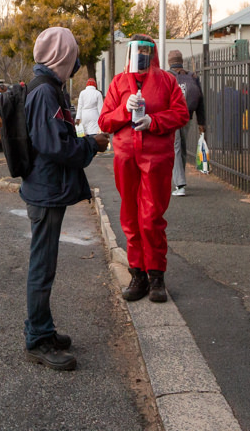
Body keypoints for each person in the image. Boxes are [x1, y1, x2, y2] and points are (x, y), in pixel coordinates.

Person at [20, 27, 108, 371]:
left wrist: (85, 144)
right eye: (72, 56)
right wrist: (91, 145)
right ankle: (37, 339)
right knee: (42, 267)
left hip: (46, 187)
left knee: (45, 265)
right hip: (45, 190)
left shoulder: (47, 87)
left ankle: (43, 329)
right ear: (62, 57)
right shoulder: (45, 92)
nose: (75, 63)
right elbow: (56, 146)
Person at [98, 35, 189, 304]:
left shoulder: (167, 81)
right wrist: (123, 110)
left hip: (156, 158)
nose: (141, 56)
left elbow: (181, 114)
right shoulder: (119, 82)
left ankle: (156, 274)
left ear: (152, 53)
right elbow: (105, 121)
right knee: (130, 216)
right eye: (137, 51)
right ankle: (138, 273)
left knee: (151, 217)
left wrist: (154, 121)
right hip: (126, 158)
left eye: (145, 51)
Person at [165, 50, 206, 196]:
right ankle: (180, 180)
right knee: (181, 147)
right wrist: (201, 122)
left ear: (170, 62)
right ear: (181, 61)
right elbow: (201, 101)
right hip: (187, 117)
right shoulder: (192, 76)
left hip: (172, 117)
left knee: (176, 147)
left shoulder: (167, 76)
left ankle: (180, 184)